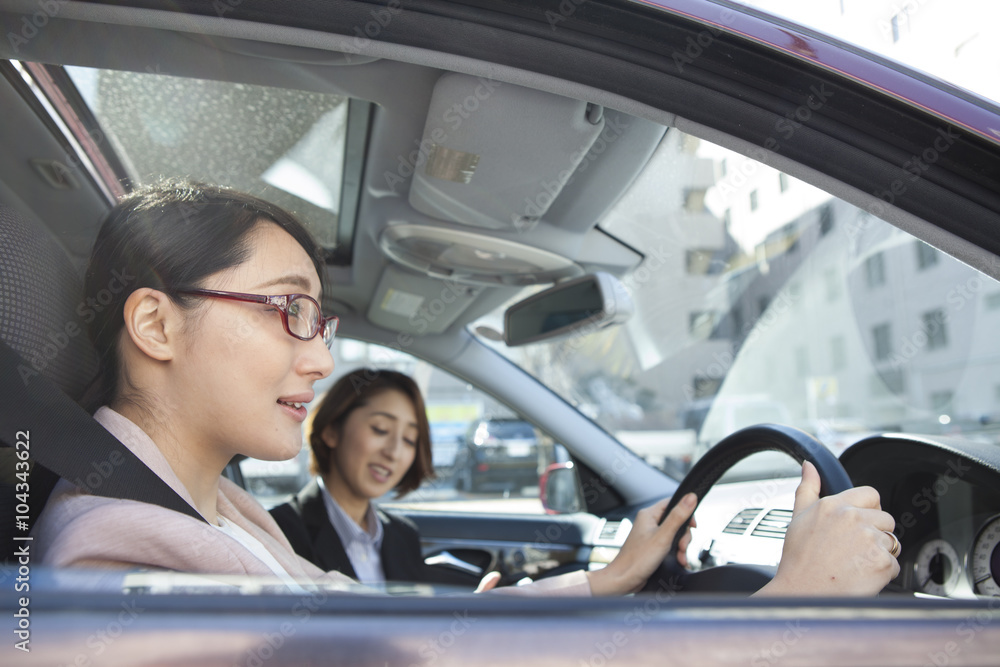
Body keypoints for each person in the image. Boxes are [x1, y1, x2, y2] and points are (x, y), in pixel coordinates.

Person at [33, 180, 900, 598]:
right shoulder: (122, 554)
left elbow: (361, 625)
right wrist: (795, 608)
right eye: (289, 310)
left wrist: (602, 583)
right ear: (154, 325)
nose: (318, 358)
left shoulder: (209, 509)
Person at [270, 368, 480, 587]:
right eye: (380, 429)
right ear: (331, 430)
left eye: (409, 440)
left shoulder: (403, 535)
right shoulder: (278, 533)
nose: (394, 452)